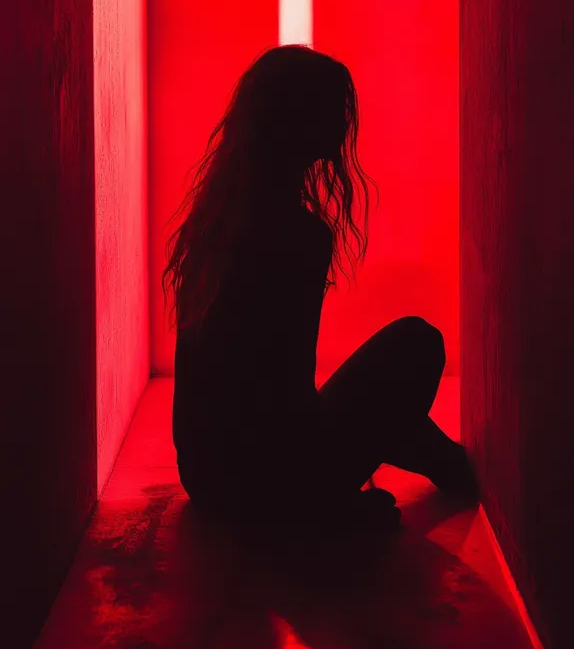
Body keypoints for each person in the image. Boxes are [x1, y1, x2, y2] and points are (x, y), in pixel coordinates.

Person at [163, 45, 477, 538]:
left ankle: (447, 465)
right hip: (264, 485)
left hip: (205, 480)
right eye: (335, 108)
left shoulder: (215, 222)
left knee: (394, 402)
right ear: (300, 121)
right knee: (418, 342)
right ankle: (435, 473)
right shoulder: (298, 234)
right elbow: (287, 399)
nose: (344, 121)